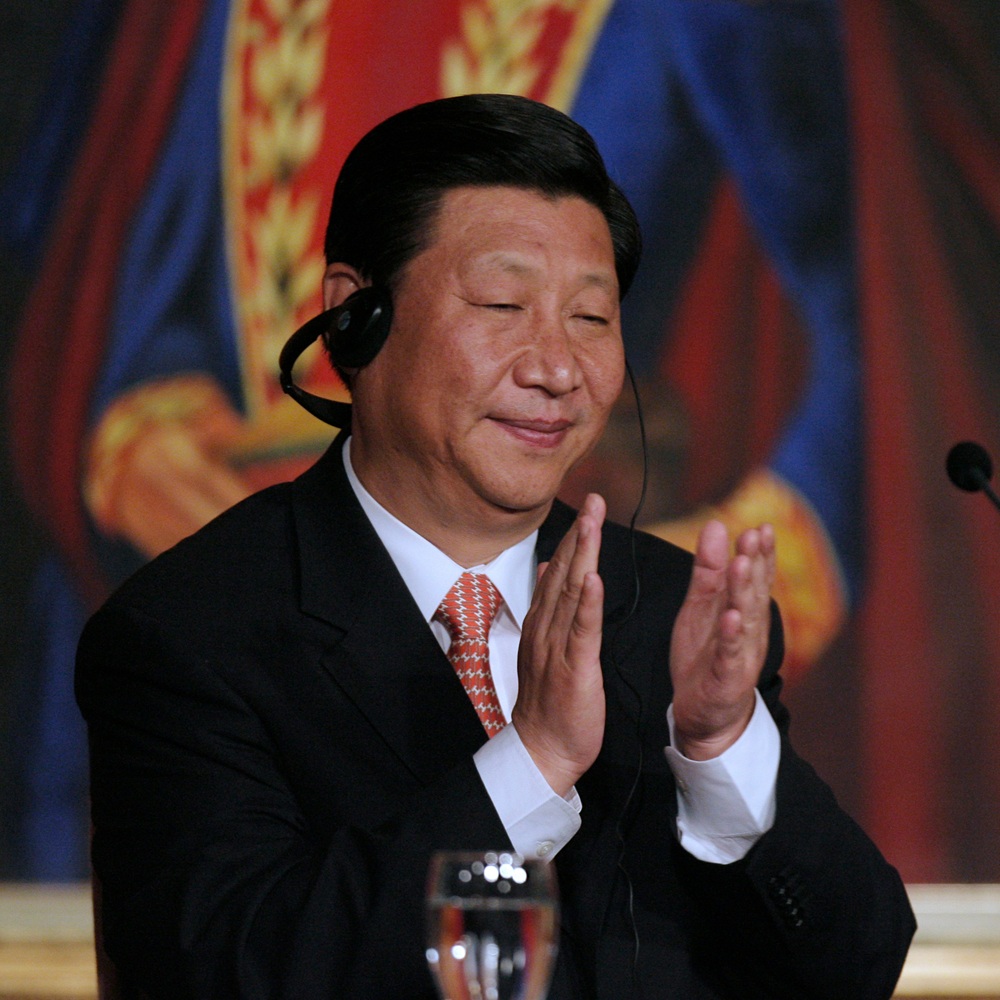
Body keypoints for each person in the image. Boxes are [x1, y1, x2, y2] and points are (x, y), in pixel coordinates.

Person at [76, 93, 915, 999]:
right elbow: (222, 974)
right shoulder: (189, 632)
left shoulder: (668, 613)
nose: (556, 370)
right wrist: (533, 762)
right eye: (502, 304)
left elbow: (855, 965)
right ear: (354, 315)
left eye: (591, 319)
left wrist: (721, 750)